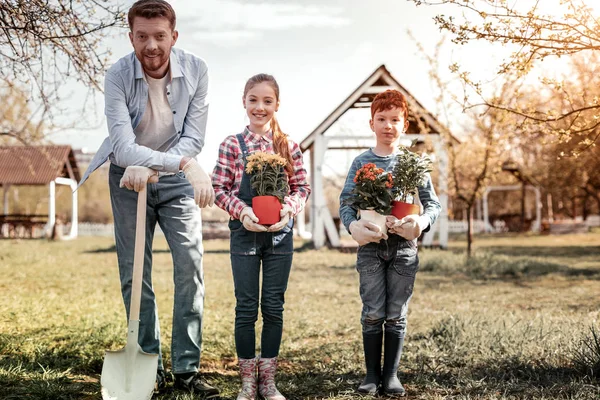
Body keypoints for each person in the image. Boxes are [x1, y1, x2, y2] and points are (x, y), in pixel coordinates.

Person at [79, 0, 218, 396]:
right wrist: (174, 164)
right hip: (129, 178)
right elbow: (122, 147)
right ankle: (148, 366)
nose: (151, 46)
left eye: (160, 36)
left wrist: (167, 167)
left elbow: (194, 137)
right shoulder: (117, 76)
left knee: (190, 265)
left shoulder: (197, 71)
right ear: (131, 37)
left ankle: (187, 371)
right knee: (134, 273)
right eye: (142, 37)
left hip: (176, 177)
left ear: (174, 36)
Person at [211, 73, 311, 400]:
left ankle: (267, 381)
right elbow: (219, 189)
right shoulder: (231, 145)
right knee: (245, 308)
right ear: (244, 102)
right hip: (244, 235)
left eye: (267, 101)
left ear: (277, 105)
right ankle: (247, 383)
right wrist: (242, 212)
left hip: (280, 237)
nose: (260, 107)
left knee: (273, 307)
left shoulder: (289, 146)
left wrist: (288, 210)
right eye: (253, 100)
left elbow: (302, 188)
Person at [339, 90, 441, 396]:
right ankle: (371, 375)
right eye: (381, 119)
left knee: (396, 312)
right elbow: (346, 203)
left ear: (405, 124)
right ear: (371, 123)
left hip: (403, 248)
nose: (388, 125)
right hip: (370, 248)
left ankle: (391, 375)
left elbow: (432, 205)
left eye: (395, 120)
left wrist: (420, 223)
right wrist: (353, 224)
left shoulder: (414, 162)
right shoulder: (361, 162)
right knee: (373, 312)